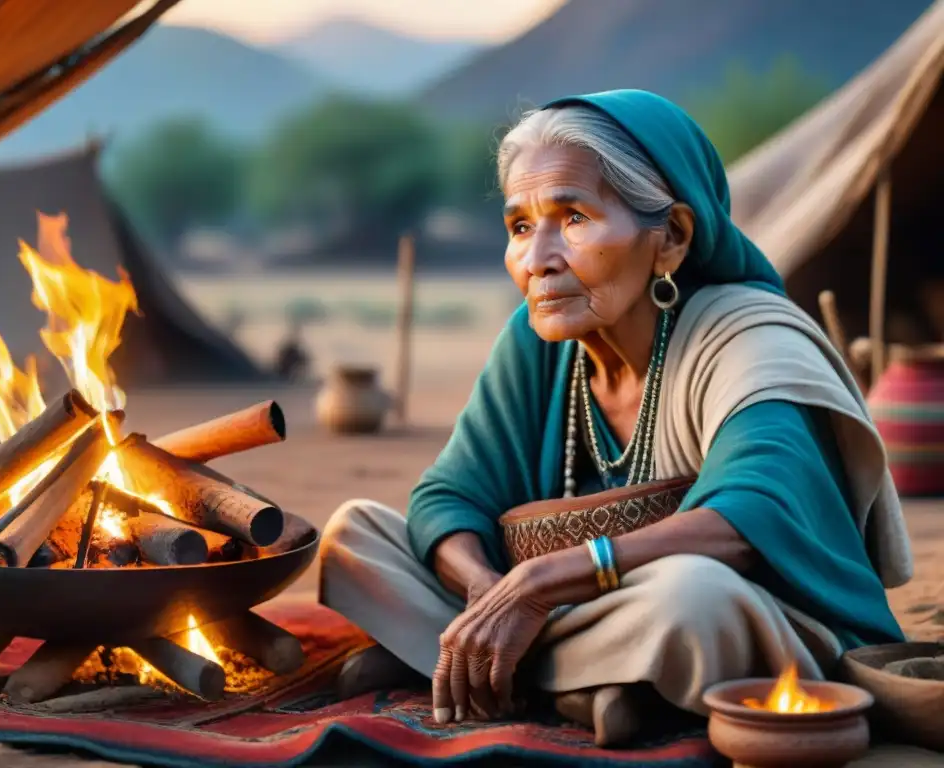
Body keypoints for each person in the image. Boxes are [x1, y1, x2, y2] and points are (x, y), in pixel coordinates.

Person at [317, 90, 913, 746]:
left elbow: (752, 518)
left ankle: (469, 663)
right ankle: (579, 680)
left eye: (572, 217)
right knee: (355, 536)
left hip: (728, 611)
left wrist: (542, 582)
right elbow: (449, 495)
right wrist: (492, 594)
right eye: (520, 226)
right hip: (570, 611)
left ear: (672, 238)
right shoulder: (538, 341)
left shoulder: (748, 337)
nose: (539, 258)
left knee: (693, 597)